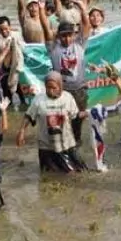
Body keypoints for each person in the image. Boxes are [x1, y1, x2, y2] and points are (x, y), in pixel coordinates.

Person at [18, 72, 88, 173]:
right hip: (46, 148)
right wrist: (21, 131)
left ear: (60, 86)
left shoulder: (68, 98)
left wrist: (88, 113)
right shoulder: (38, 100)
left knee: (75, 173)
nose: (51, 91)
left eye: (54, 88)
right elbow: (28, 116)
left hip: (66, 145)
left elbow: (75, 115)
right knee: (48, 174)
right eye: (48, 88)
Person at [43, 12, 91, 144]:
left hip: (80, 89)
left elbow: (86, 24)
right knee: (62, 117)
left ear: (74, 35)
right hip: (62, 91)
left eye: (70, 35)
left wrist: (81, 5)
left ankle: (76, 140)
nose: (67, 39)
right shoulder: (53, 48)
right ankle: (63, 141)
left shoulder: (80, 45)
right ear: (58, 36)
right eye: (63, 36)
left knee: (79, 118)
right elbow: (46, 29)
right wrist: (42, 10)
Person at [0, 16, 24, 103]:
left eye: (6, 28)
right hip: (5, 72)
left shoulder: (17, 35)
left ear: (10, 26)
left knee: (23, 96)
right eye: (1, 30)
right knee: (7, 99)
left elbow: (24, 49)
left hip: (17, 70)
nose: (4, 31)